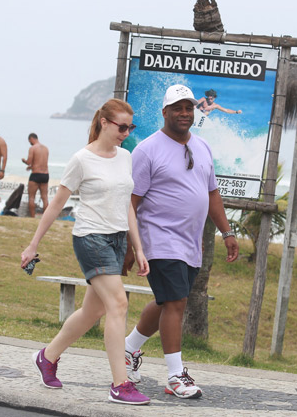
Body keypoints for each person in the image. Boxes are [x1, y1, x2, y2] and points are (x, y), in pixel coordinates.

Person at [20, 99, 151, 406]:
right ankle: (120, 384)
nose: (126, 132)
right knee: (119, 304)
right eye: (122, 126)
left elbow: (127, 207)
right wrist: (33, 244)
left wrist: (139, 248)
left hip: (117, 240)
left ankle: (47, 356)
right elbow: (55, 204)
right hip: (91, 239)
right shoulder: (81, 159)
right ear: (104, 123)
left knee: (95, 311)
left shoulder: (126, 157)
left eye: (130, 127)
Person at [122, 84, 239, 399]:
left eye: (188, 107)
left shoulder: (202, 147)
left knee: (166, 301)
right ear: (165, 112)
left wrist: (226, 232)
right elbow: (131, 201)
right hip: (157, 238)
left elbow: (211, 193)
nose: (184, 113)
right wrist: (130, 245)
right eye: (177, 108)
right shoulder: (147, 150)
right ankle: (176, 375)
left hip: (190, 243)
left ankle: (128, 350)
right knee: (176, 303)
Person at [21, 133, 50, 217]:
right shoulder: (46, 148)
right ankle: (45, 218)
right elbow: (41, 162)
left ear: (31, 139)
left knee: (31, 197)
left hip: (36, 175)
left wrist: (24, 161)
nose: (29, 142)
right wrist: (31, 167)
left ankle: (32, 217)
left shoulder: (32, 148)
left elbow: (29, 161)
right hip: (45, 174)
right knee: (44, 197)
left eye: (29, 141)